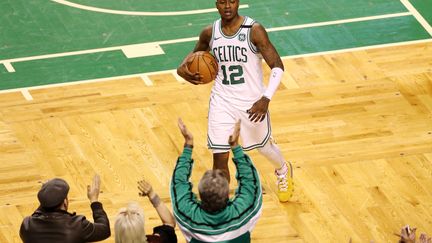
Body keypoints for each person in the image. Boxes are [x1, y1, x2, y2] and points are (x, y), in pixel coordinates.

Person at [176, 0, 293, 202]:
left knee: (263, 148)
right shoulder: (209, 33)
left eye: (232, 1)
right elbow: (190, 60)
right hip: (222, 102)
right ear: (216, 4)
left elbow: (277, 66)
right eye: (222, 1)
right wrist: (183, 71)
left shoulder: (254, 30)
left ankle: (282, 169)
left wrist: (266, 98)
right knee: (220, 160)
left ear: (238, 2)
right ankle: (221, 209)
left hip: (253, 103)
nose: (227, 6)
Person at [170, 118, 262, 242]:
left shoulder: (188, 217)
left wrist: (188, 145)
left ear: (201, 196)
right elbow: (251, 182)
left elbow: (178, 184)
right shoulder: (243, 213)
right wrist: (236, 147)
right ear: (227, 195)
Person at [19, 174, 111, 243]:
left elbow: (36, 215)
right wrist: (94, 200)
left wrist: (46, 194)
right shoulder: (77, 225)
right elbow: (105, 230)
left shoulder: (27, 226)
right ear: (65, 202)